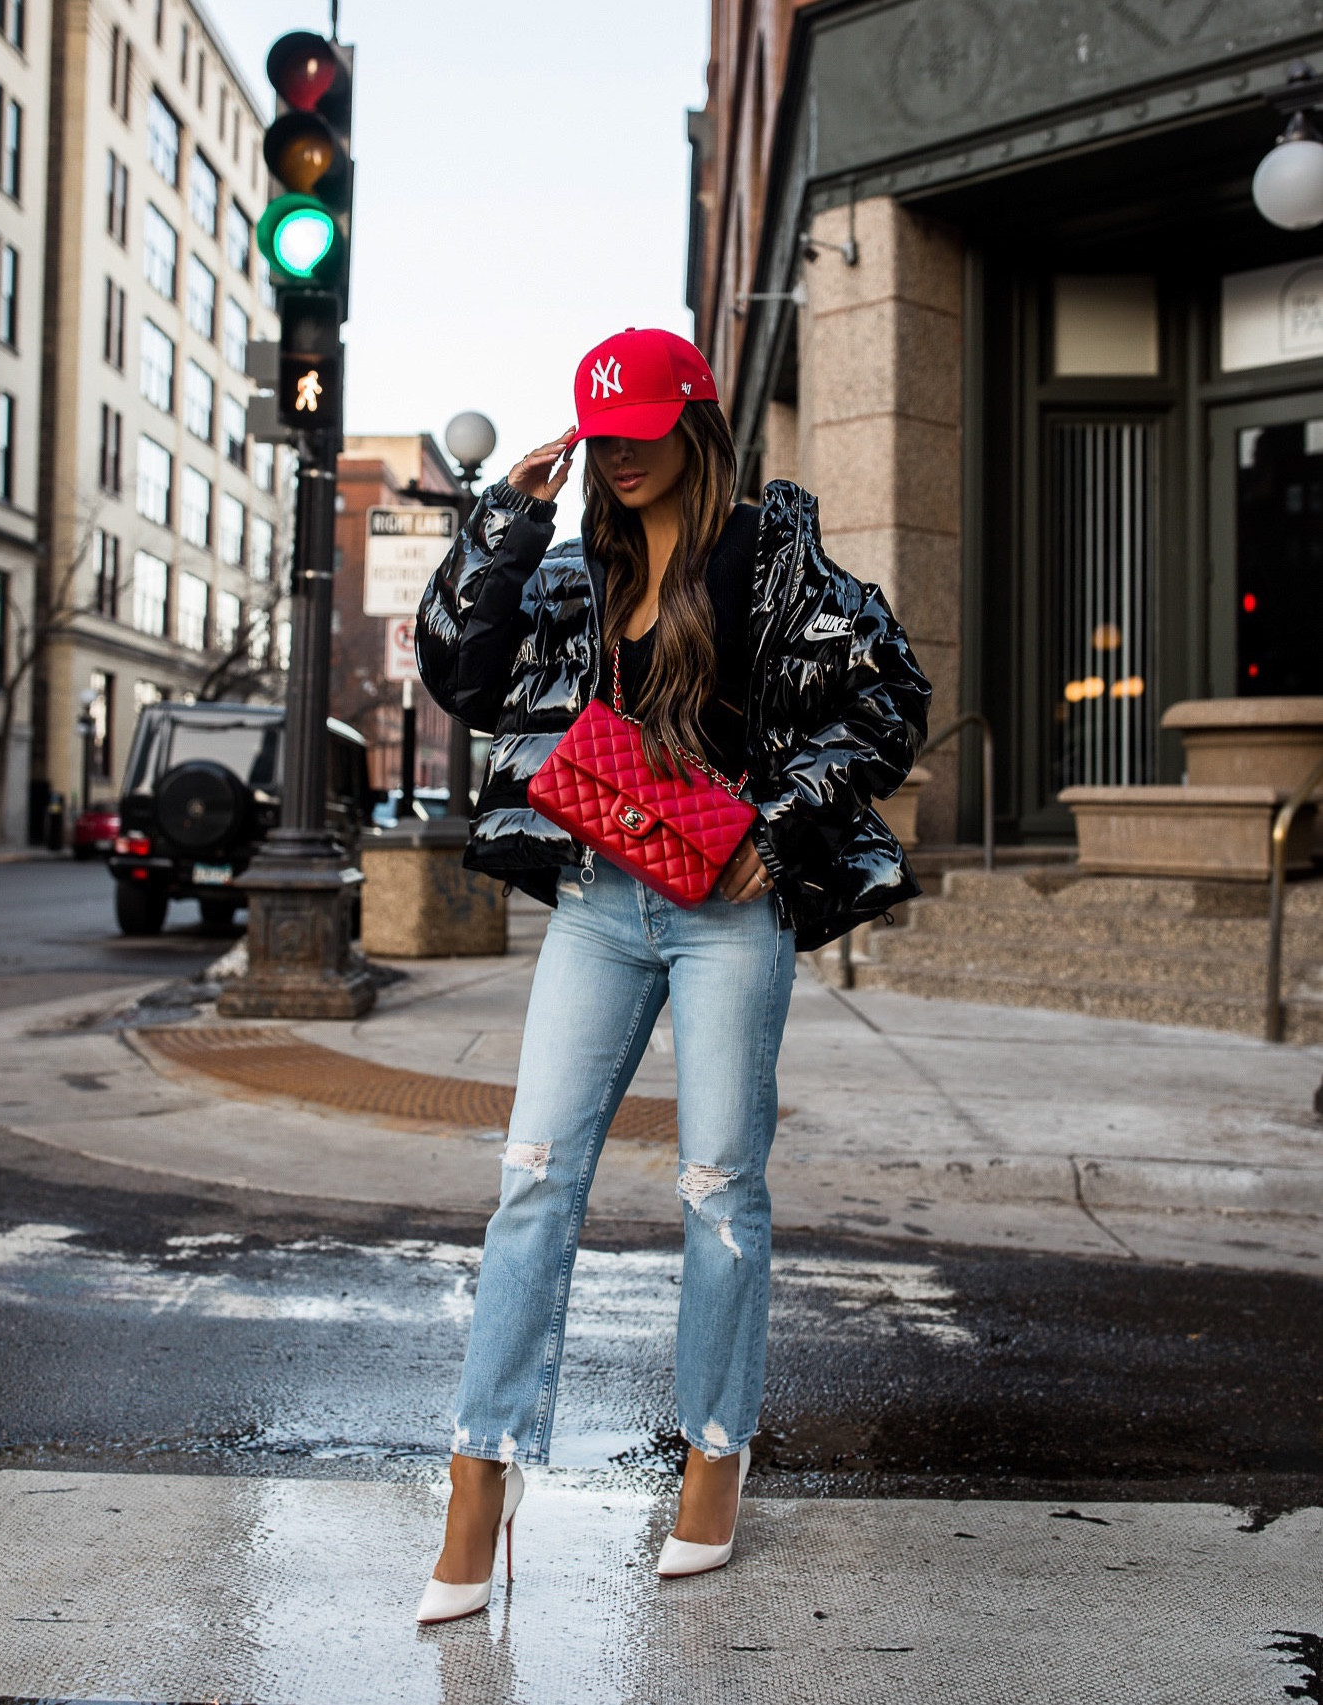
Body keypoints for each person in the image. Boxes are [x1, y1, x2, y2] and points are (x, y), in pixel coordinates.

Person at [413, 327, 930, 1623]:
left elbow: (887, 697)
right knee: (532, 1178)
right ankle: (485, 1467)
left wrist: (783, 825)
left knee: (718, 1185)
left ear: (696, 424)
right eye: (605, 436)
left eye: (645, 431)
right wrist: (500, 528)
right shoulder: (570, 565)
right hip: (597, 900)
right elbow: (456, 676)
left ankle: (715, 1445)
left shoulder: (769, 555)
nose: (624, 457)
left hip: (723, 915)